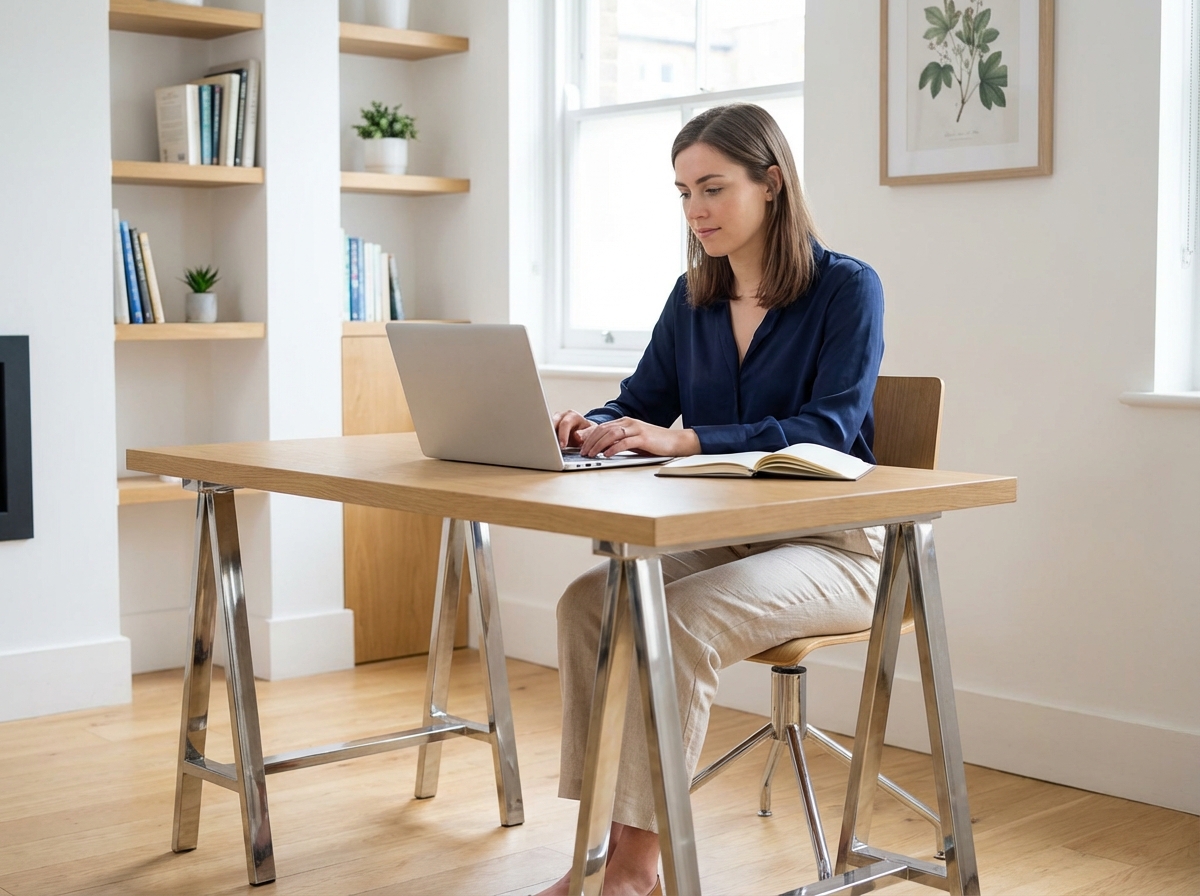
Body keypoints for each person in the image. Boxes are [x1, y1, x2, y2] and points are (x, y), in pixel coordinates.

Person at [536, 103, 885, 896]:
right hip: (740, 539)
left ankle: (634, 870)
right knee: (590, 601)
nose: (695, 211)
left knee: (682, 622)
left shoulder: (847, 289)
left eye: (712, 188)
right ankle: (603, 853)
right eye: (683, 192)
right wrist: (582, 426)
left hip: (840, 548)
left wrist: (689, 441)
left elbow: (827, 427)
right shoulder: (693, 297)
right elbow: (642, 401)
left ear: (771, 183)